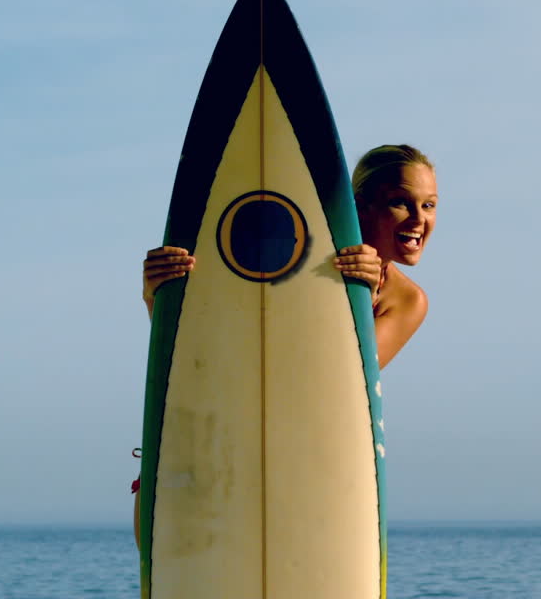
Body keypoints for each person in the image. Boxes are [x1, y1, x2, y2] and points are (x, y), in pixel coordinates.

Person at [133, 144, 438, 545]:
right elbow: (202, 350)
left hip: (300, 473)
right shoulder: (289, 254)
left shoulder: (405, 301)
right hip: (203, 447)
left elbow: (337, 381)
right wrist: (159, 295)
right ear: (359, 207)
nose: (419, 219)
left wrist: (356, 299)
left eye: (429, 205)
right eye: (401, 203)